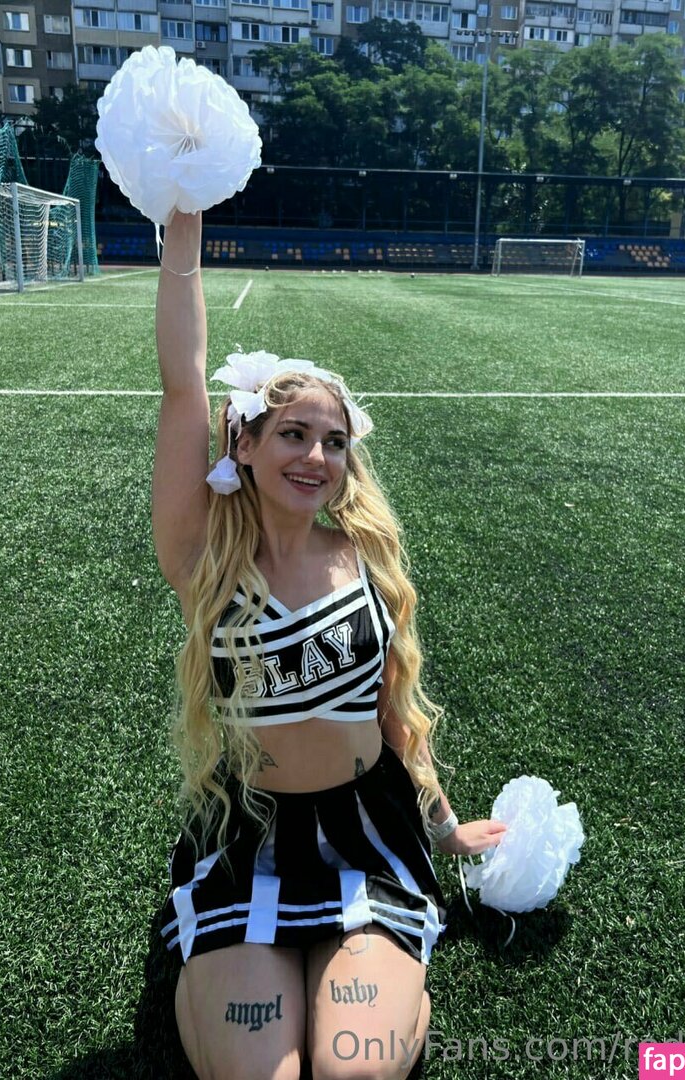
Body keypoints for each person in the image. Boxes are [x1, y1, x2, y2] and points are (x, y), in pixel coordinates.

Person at [152, 209, 508, 1080]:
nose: (316, 455)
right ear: (243, 443)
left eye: (334, 441)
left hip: (366, 837)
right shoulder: (204, 562)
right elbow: (181, 386)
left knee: (350, 1067)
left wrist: (444, 827)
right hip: (249, 836)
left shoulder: (366, 557)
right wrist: (184, 227)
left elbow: (395, 717)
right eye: (293, 434)